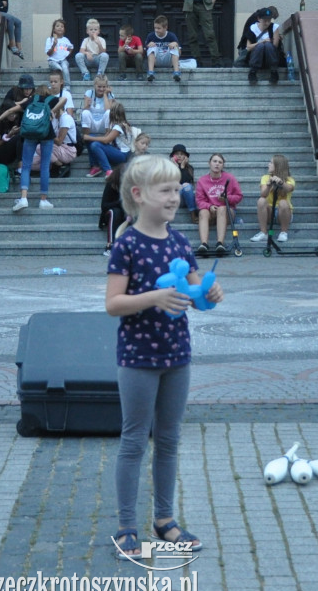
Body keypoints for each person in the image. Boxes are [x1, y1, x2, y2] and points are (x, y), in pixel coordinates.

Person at [105, 154, 223, 561]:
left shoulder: (179, 242)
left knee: (169, 439)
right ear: (139, 195)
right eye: (166, 190)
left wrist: (209, 292)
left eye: (178, 189)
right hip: (138, 357)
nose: (176, 197)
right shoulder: (127, 245)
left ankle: (164, 520)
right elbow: (113, 303)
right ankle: (124, 526)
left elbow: (195, 292)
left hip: (177, 353)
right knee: (134, 440)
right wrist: (153, 297)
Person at [12, 79, 61, 212]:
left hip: (29, 132)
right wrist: (51, 112)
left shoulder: (32, 100)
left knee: (26, 165)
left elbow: (16, 107)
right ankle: (43, 200)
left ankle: (23, 198)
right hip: (46, 133)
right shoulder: (51, 100)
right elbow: (63, 101)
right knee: (45, 166)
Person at [195, 153, 243, 257]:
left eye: (220, 162)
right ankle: (204, 244)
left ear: (223, 165)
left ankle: (220, 243)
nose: (217, 164)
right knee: (203, 211)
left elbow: (239, 196)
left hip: (227, 212)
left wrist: (227, 198)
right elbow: (199, 200)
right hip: (211, 212)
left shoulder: (230, 178)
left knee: (221, 208)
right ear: (209, 163)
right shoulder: (202, 181)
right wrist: (209, 206)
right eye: (214, 161)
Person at [30, 90, 78, 175]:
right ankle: (52, 165)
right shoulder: (56, 119)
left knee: (39, 147)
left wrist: (47, 130)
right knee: (31, 163)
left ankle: (61, 165)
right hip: (57, 150)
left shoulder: (65, 118)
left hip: (68, 150)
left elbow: (59, 141)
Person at [251, 154, 295, 243]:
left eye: (271, 163)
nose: (268, 164)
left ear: (278, 166)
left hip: (283, 213)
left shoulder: (290, 179)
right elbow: (263, 194)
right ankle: (263, 233)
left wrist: (281, 183)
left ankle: (283, 232)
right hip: (269, 212)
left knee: (283, 202)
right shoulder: (265, 177)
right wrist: (268, 185)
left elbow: (289, 188)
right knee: (261, 200)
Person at [83, 101, 133, 178]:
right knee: (91, 140)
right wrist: (90, 137)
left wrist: (89, 137)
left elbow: (106, 140)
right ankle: (95, 166)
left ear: (113, 114)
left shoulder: (119, 127)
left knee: (95, 144)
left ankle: (108, 170)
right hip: (117, 152)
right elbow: (105, 137)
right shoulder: (117, 124)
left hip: (122, 155)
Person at [244, 7, 281, 85]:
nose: (267, 23)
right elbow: (248, 47)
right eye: (265, 20)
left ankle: (274, 71)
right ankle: (253, 72)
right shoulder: (253, 28)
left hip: (270, 57)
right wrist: (261, 42)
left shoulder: (274, 27)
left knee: (268, 45)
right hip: (256, 57)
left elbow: (275, 46)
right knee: (260, 46)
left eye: (269, 20)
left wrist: (268, 42)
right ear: (259, 19)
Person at [99, 163, 127, 257]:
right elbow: (104, 206)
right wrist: (120, 203)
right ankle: (110, 245)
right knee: (114, 212)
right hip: (113, 214)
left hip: (129, 214)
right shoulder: (112, 184)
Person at [144, 15, 183, 83]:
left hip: (169, 61)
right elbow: (145, 53)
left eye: (159, 28)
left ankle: (176, 73)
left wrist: (175, 44)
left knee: (174, 46)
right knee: (151, 47)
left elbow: (179, 53)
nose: (156, 30)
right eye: (155, 28)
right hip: (156, 61)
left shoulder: (171, 36)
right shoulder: (151, 36)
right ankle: (150, 73)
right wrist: (148, 46)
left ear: (165, 28)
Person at [169, 144, 196, 223]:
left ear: (185, 157)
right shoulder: (168, 168)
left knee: (186, 186)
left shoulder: (190, 168)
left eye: (182, 154)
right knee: (184, 186)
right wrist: (176, 168)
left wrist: (183, 167)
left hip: (185, 198)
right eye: (177, 154)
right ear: (173, 156)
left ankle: (193, 214)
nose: (179, 156)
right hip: (173, 198)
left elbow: (185, 181)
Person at [44, 18, 74, 86]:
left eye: (62, 26)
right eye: (57, 26)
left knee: (65, 69)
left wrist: (66, 54)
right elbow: (49, 53)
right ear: (54, 29)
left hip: (63, 60)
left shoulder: (65, 40)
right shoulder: (50, 39)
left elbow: (71, 47)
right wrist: (54, 45)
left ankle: (67, 85)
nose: (60, 28)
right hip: (53, 61)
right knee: (59, 69)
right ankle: (58, 85)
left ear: (64, 30)